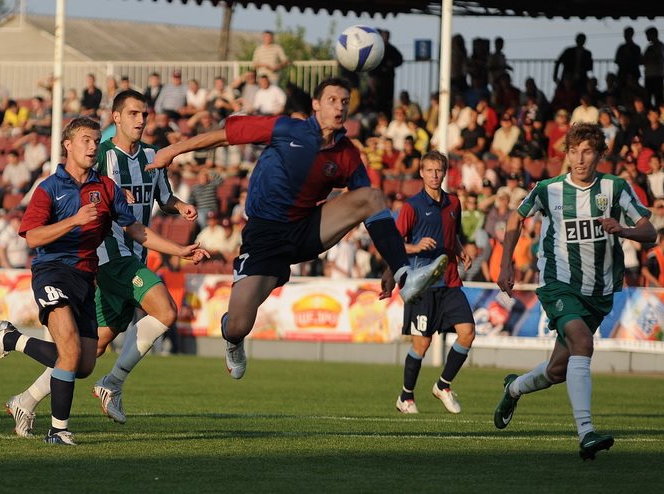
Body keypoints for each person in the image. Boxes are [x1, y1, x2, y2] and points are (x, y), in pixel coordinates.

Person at [147, 77, 448, 381]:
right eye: (332, 100)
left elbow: (373, 211)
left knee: (371, 196)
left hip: (306, 230)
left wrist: (393, 263)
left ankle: (406, 276)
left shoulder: (347, 154)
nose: (339, 107)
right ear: (316, 104)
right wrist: (172, 150)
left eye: (344, 102)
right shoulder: (286, 128)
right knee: (239, 324)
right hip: (265, 236)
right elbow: (225, 136)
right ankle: (233, 338)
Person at [0, 117, 207, 445]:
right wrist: (74, 220)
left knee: (84, 363)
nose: (92, 147)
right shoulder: (49, 188)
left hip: (86, 278)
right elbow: (32, 236)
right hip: (53, 273)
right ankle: (58, 430)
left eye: (95, 141)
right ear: (68, 145)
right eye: (85, 141)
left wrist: (180, 250)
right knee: (70, 349)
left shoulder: (106, 187)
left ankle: (13, 341)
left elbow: (136, 229)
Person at [493, 122, 656, 460]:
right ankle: (586, 433)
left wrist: (623, 230)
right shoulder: (548, 189)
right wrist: (506, 263)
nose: (580, 159)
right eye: (573, 152)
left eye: (587, 152)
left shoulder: (615, 188)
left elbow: (650, 231)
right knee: (583, 342)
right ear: (565, 154)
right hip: (558, 283)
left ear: (599, 154)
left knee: (557, 370)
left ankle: (514, 388)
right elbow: (515, 218)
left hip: (598, 291)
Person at [390, 151, 475, 415]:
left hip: (450, 281)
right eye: (429, 170)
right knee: (422, 345)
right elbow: (393, 243)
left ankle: (443, 385)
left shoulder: (454, 203)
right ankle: (406, 397)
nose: (434, 175)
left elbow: (453, 235)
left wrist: (460, 251)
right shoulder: (412, 206)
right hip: (423, 285)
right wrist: (415, 247)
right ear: (421, 173)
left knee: (468, 332)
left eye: (438, 170)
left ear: (445, 172)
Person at [642, 27, 664, 108]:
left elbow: (657, 59)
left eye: (648, 35)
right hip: (650, 75)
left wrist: (649, 59)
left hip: (657, 75)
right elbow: (643, 60)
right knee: (648, 97)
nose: (647, 37)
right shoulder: (650, 47)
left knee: (658, 97)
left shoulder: (659, 46)